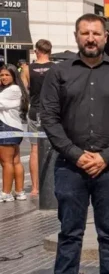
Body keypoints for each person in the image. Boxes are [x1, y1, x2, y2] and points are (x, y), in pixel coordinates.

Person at [39, 14, 109, 274]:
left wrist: (106, 156)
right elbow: (49, 118)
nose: (90, 38)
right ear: (76, 36)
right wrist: (76, 154)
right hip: (70, 167)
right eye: (85, 33)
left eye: (96, 33)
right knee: (69, 231)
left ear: (106, 37)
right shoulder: (59, 73)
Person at [22, 39, 55, 196]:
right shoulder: (56, 68)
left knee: (34, 149)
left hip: (35, 110)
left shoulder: (27, 69)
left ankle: (35, 188)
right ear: (50, 51)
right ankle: (52, 184)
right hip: (52, 112)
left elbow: (24, 93)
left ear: (36, 51)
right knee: (55, 147)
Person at [0, 65, 29, 202]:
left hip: (6, 127)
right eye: (1, 75)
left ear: (14, 76)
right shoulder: (16, 89)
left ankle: (6, 193)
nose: (3, 78)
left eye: (7, 75)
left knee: (6, 162)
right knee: (15, 161)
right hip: (15, 127)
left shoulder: (12, 90)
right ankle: (19, 191)